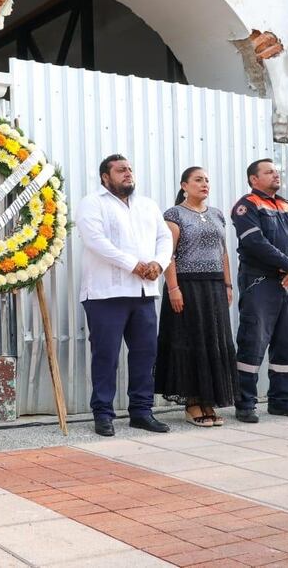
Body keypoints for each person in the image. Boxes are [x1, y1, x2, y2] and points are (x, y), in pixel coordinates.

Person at [77, 154, 173, 437]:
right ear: (105, 176)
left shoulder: (147, 205)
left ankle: (141, 412)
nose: (128, 173)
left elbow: (164, 237)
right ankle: (103, 414)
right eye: (121, 170)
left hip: (144, 292)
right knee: (105, 355)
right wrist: (134, 265)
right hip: (105, 293)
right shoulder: (92, 203)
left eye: (130, 169)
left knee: (145, 353)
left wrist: (158, 263)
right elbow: (96, 242)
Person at [154, 167, 239, 427]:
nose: (204, 184)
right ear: (184, 185)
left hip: (214, 286)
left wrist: (227, 285)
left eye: (207, 181)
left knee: (214, 340)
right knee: (191, 340)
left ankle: (209, 400)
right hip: (187, 287)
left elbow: (223, 252)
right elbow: (169, 254)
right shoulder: (174, 214)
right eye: (198, 180)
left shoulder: (217, 215)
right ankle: (193, 403)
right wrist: (173, 289)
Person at [231, 158, 288, 422]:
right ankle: (245, 404)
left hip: (286, 284)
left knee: (287, 344)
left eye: (276, 171)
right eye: (269, 172)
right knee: (252, 343)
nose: (276, 175)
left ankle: (283, 400)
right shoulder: (247, 205)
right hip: (259, 282)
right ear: (254, 179)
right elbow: (254, 242)